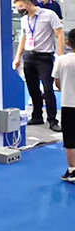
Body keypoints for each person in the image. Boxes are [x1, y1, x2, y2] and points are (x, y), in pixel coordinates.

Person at [13, 0, 64, 132]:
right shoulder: (24, 20)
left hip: (44, 57)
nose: (19, 9)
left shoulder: (49, 15)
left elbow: (59, 34)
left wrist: (60, 56)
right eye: (17, 7)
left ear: (29, 3)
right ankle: (37, 116)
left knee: (48, 89)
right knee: (32, 88)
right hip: (29, 56)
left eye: (21, 6)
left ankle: (52, 120)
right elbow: (23, 38)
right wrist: (17, 57)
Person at [53, 29, 75, 182]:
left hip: (68, 103)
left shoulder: (61, 60)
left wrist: (66, 89)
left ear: (68, 43)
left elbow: (57, 82)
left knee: (70, 139)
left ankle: (72, 170)